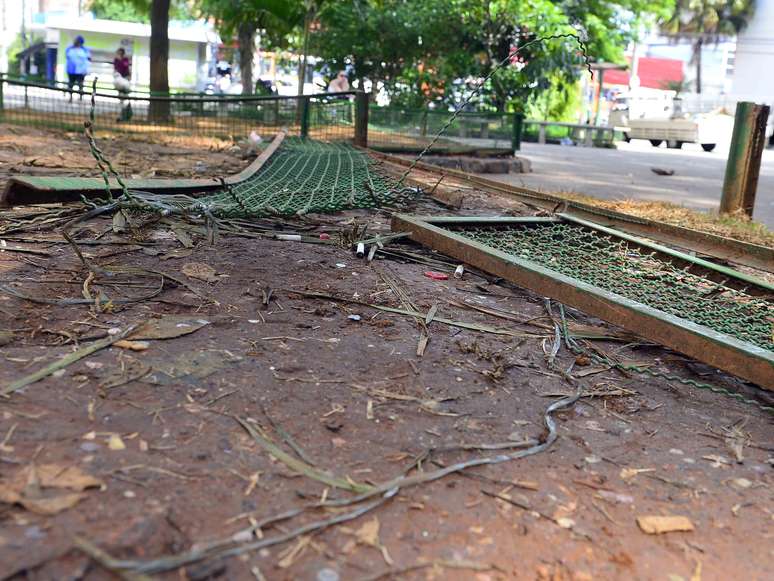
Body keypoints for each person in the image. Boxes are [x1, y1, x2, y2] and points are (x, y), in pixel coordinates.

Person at [65, 35, 90, 102]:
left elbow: (88, 59)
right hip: (71, 70)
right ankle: (70, 97)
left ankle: (80, 97)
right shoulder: (69, 49)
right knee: (71, 84)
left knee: (80, 85)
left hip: (81, 71)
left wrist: (85, 69)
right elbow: (67, 57)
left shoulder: (84, 50)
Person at [113, 47, 133, 121]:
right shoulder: (116, 60)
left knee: (125, 96)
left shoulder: (125, 59)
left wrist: (128, 76)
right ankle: (123, 114)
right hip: (119, 81)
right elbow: (116, 69)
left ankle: (125, 114)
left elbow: (126, 67)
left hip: (125, 79)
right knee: (122, 97)